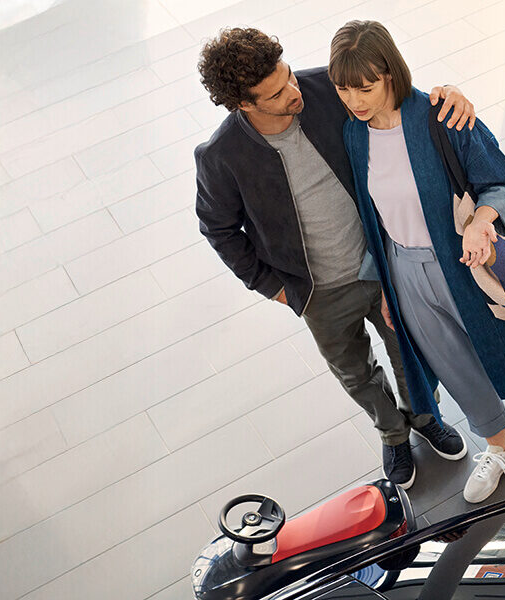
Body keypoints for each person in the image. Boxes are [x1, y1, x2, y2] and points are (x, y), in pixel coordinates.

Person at [194, 27, 480, 489]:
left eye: (287, 76)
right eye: (276, 92)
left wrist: (449, 95)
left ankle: (425, 417)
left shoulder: (328, 90)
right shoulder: (221, 157)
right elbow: (219, 229)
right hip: (317, 292)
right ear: (245, 104)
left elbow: (395, 104)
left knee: (411, 351)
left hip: (383, 262)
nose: (293, 91)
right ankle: (393, 434)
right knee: (354, 371)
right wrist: (276, 288)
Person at [327, 20, 505, 504]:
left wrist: (482, 221)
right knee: (452, 365)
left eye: (365, 87)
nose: (354, 100)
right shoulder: (354, 135)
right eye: (343, 89)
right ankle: (499, 445)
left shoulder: (439, 115)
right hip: (403, 269)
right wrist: (386, 286)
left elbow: (502, 179)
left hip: (462, 260)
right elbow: (373, 219)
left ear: (390, 73)